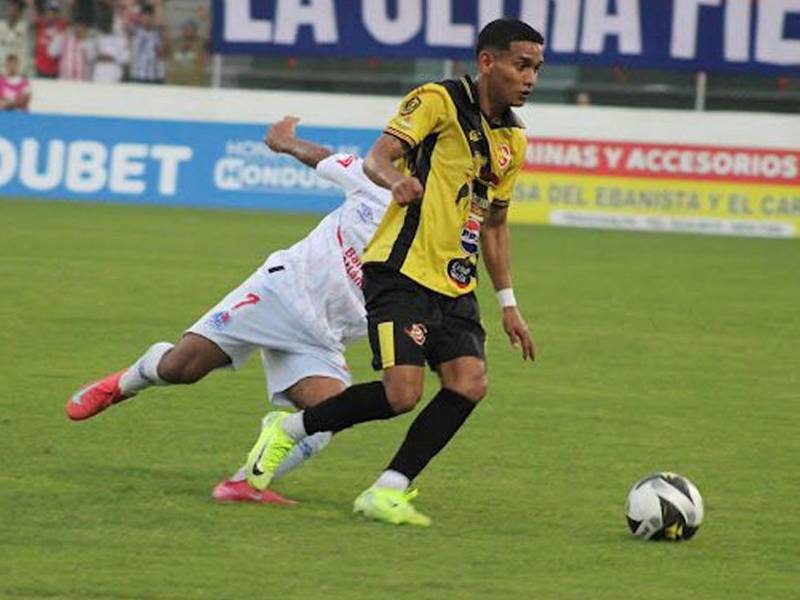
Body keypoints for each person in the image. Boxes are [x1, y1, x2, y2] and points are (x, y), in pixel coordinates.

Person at [244, 18, 542, 527]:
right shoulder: (438, 100)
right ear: (488, 62)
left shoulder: (513, 138)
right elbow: (379, 158)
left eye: (537, 67)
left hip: (456, 281)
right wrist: (395, 184)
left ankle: (388, 490)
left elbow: (495, 223)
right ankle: (289, 429)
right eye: (522, 65)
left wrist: (509, 304)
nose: (530, 77)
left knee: (469, 383)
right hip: (400, 270)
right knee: (401, 394)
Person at [66, 116, 393, 504]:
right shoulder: (376, 183)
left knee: (325, 419)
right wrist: (286, 141)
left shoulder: (441, 231)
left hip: (324, 336)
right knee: (181, 368)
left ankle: (242, 485)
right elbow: (323, 158)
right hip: (281, 292)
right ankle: (124, 383)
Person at [27, 0, 69, 78]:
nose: (51, 14)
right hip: (39, 68)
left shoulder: (61, 25)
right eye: (49, 11)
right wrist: (31, 4)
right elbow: (33, 16)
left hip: (55, 70)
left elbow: (67, 14)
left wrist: (68, 4)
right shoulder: (41, 23)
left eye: (54, 12)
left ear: (58, 14)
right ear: (45, 13)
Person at [129, 1, 166, 84]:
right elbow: (127, 17)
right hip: (138, 75)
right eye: (144, 17)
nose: (147, 19)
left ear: (153, 18)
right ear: (140, 18)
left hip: (154, 76)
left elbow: (161, 53)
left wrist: (158, 5)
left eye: (150, 17)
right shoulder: (135, 31)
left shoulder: (158, 33)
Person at [0, 0, 28, 74]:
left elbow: (25, 49)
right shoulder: (1, 26)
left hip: (19, 69)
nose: (12, 12)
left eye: (15, 10)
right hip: (2, 69)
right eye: (10, 9)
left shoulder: (24, 27)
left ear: (19, 12)